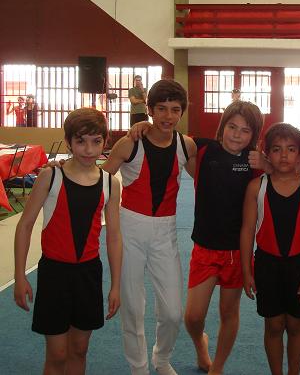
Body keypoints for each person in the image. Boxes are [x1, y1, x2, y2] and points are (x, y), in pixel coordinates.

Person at [129, 100, 264, 375]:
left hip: (237, 252)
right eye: (232, 127)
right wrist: (144, 126)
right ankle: (201, 344)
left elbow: (286, 170)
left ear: (254, 135)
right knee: (192, 316)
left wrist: (267, 165)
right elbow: (166, 134)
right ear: (222, 126)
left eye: (245, 130)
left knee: (229, 312)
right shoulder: (201, 148)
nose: (237, 135)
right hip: (205, 249)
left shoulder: (254, 162)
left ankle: (218, 367)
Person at [13, 107, 122, 374]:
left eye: (96, 141)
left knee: (79, 349)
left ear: (105, 142)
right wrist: (20, 275)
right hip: (54, 274)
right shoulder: (51, 176)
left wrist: (116, 285)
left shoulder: (110, 183)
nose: (89, 149)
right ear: (68, 141)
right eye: (81, 141)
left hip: (88, 274)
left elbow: (114, 236)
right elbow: (25, 225)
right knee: (57, 354)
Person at [104, 79, 195, 375]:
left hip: (166, 231)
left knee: (172, 312)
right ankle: (139, 367)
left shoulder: (186, 145)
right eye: (161, 109)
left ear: (182, 112)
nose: (168, 116)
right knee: (132, 306)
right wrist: (64, 169)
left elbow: (211, 180)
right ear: (150, 109)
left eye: (175, 109)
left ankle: (162, 358)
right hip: (130, 227)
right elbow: (98, 181)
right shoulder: (130, 143)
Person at [240, 123, 300, 375]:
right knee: (274, 325)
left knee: (296, 326)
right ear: (267, 154)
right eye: (276, 149)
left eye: (291, 149)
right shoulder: (257, 187)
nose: (284, 155)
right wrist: (247, 271)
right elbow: (247, 230)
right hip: (267, 265)